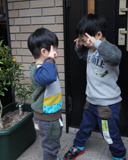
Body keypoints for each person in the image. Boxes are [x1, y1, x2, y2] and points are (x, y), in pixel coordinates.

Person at [64, 14, 126, 160]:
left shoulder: (109, 50)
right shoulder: (91, 51)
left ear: (98, 35)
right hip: (91, 102)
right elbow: (82, 56)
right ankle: (78, 145)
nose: (85, 44)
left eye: (86, 41)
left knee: (109, 133)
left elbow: (116, 57)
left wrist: (97, 44)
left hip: (107, 105)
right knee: (85, 126)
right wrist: (79, 47)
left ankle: (119, 155)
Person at [28, 28, 65, 160]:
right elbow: (49, 77)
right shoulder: (38, 71)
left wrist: (48, 59)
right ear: (44, 52)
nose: (56, 53)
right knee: (50, 147)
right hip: (46, 119)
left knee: (54, 141)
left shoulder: (44, 68)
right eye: (54, 50)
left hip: (50, 115)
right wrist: (49, 59)